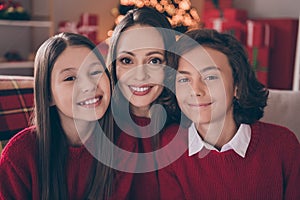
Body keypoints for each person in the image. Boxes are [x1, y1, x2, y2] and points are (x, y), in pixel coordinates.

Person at [158, 29, 300, 199]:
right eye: (183, 79)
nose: (195, 90)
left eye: (210, 77)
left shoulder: (283, 144)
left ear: (237, 86)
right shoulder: (168, 145)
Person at [0, 32, 130, 199]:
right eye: (70, 78)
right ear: (48, 96)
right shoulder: (18, 157)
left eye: (95, 72)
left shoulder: (125, 143)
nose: (89, 86)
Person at [106, 6, 177, 200]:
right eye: (127, 60)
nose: (139, 75)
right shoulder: (97, 126)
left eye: (154, 61)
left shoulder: (187, 126)